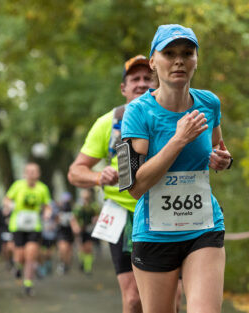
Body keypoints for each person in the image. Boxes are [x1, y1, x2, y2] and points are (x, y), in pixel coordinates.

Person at [120, 24, 233, 313]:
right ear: (154, 62)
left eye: (187, 52)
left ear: (196, 59)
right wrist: (178, 140)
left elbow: (218, 150)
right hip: (154, 232)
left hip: (203, 227)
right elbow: (132, 186)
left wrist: (224, 161)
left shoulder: (209, 102)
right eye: (169, 53)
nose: (179, 60)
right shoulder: (136, 112)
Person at [68, 55, 154, 313]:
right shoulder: (109, 123)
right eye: (134, 79)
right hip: (122, 211)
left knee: (172, 298)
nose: (141, 83)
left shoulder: (172, 116)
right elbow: (74, 172)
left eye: (147, 78)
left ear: (157, 82)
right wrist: (98, 176)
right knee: (133, 299)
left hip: (165, 211)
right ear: (124, 88)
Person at [3, 162, 52, 296]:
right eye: (29, 171)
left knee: (31, 255)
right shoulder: (18, 185)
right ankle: (18, 267)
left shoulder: (42, 188)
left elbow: (47, 205)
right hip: (18, 225)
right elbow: (6, 199)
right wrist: (10, 205)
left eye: (34, 171)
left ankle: (28, 283)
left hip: (34, 226)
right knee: (19, 256)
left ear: (38, 174)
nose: (31, 174)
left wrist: (47, 213)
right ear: (25, 173)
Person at [74, 188, 98, 274]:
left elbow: (97, 215)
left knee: (88, 247)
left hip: (89, 229)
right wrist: (76, 227)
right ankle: (82, 261)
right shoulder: (78, 206)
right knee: (81, 248)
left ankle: (88, 268)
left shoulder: (93, 206)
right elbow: (74, 218)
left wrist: (95, 220)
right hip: (81, 229)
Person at [56, 191, 80, 275]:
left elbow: (75, 225)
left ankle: (66, 264)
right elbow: (55, 222)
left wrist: (76, 229)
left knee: (69, 251)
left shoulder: (73, 213)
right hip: (61, 233)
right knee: (63, 249)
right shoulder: (58, 212)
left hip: (69, 234)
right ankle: (62, 263)